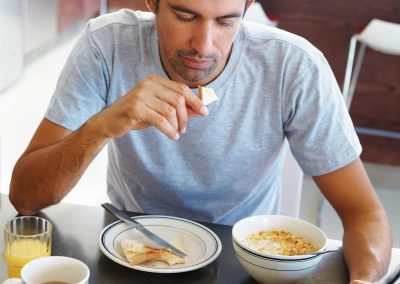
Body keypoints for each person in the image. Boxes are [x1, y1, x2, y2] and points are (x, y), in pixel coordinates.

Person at [9, 0, 391, 282]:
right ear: (152, 4)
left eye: (226, 21)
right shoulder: (106, 45)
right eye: (184, 15)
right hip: (129, 249)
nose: (204, 45)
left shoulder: (294, 66)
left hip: (246, 263)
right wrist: (103, 126)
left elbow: (365, 215)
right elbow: (25, 197)